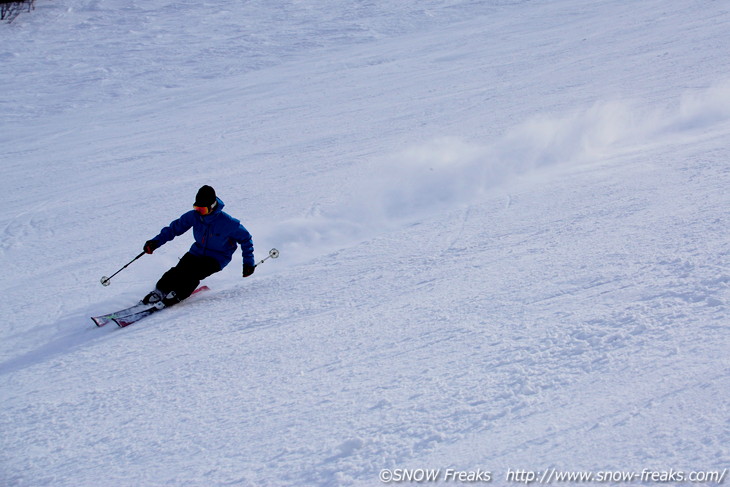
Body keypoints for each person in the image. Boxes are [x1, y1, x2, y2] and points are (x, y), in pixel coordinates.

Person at [141, 185, 255, 308]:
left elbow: (246, 239)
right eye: (197, 208)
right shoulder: (194, 216)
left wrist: (248, 263)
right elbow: (173, 229)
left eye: (203, 210)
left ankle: (177, 294)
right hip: (197, 252)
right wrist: (155, 242)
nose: (200, 212)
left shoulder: (228, 223)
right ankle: (159, 292)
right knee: (178, 270)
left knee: (192, 274)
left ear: (212, 206)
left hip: (217, 258)